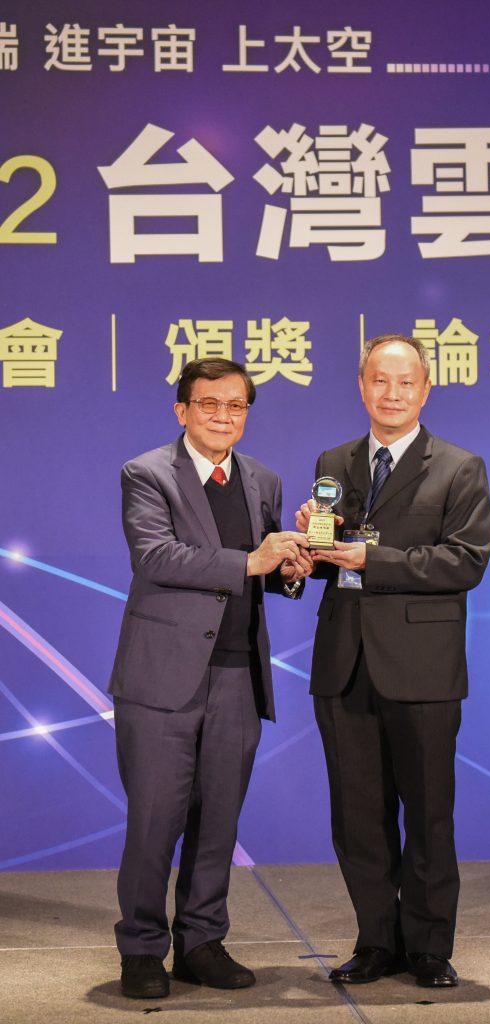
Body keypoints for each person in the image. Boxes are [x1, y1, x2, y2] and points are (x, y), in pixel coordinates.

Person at [109, 357, 311, 999]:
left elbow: (264, 577)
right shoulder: (147, 473)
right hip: (162, 679)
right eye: (209, 404)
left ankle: (201, 941)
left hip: (237, 675)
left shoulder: (262, 479)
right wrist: (254, 560)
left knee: (219, 820)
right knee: (154, 821)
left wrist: (292, 566)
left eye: (236, 406)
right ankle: (142, 948)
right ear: (182, 411)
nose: (223, 416)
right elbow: (156, 557)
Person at [296, 334, 490, 988]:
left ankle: (429, 948)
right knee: (358, 817)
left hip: (422, 667)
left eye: (405, 382)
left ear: (425, 389)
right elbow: (331, 559)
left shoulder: (459, 467)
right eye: (379, 380)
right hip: (344, 661)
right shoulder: (335, 461)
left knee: (428, 814)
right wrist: (312, 548)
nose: (392, 393)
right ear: (361, 387)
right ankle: (376, 941)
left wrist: (369, 559)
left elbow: (464, 562)